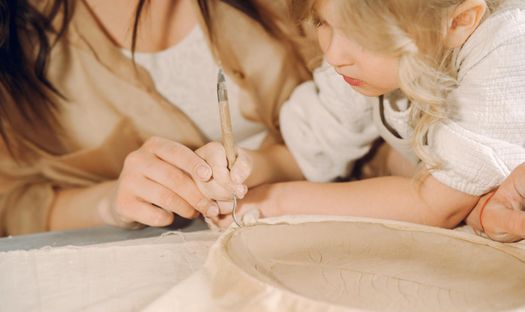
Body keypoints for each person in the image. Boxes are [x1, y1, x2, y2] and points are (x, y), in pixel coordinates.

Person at [197, 0, 525, 241]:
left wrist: (272, 202)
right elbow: (309, 149)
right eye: (322, 22)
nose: (334, 56)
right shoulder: (365, 64)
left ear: (459, 22)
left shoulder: (507, 52)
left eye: (362, 36)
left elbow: (434, 205)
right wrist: (239, 168)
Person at [0, 0, 318, 235]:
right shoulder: (15, 33)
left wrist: (264, 167)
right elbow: (13, 205)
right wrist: (109, 203)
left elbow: (354, 121)